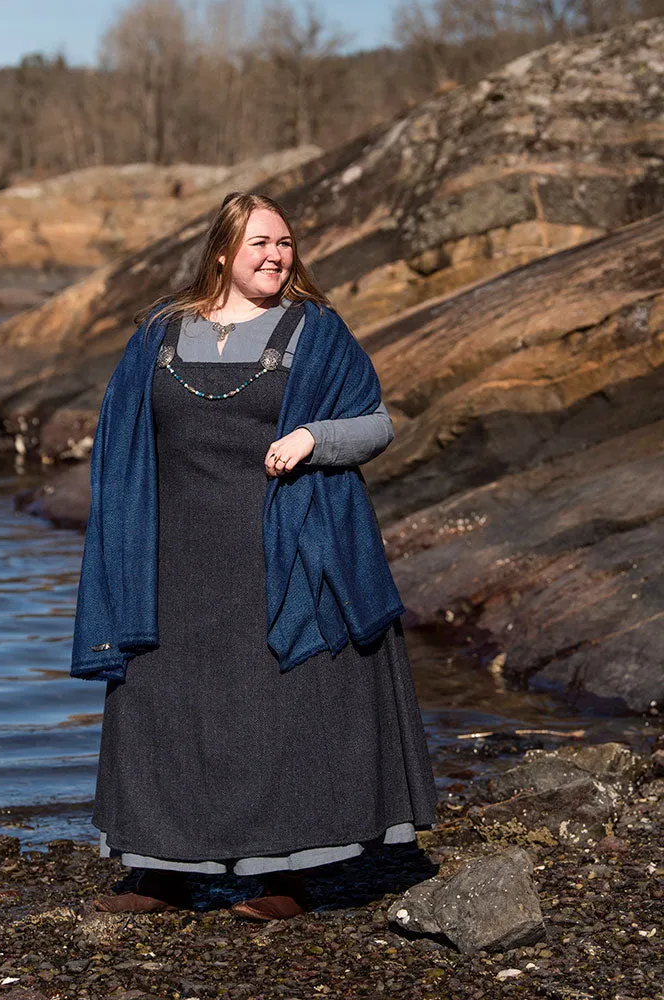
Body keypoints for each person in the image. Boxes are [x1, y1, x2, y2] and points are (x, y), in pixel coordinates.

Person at [70, 191, 438, 921]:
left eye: (285, 244)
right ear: (221, 252)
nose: (276, 256)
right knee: (161, 704)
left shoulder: (316, 330)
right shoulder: (160, 332)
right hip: (170, 556)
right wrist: (120, 534)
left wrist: (313, 441)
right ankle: (160, 870)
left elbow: (376, 423)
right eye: (260, 244)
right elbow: (120, 435)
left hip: (281, 546)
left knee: (279, 708)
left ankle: (282, 876)